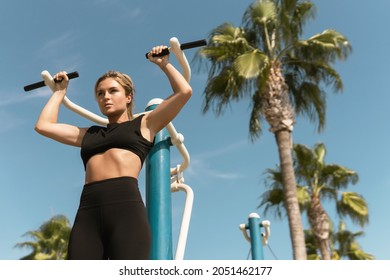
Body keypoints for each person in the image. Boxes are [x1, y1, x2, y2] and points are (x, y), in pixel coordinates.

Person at [34, 45, 192, 260]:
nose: (105, 97)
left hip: (126, 212)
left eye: (112, 91)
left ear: (128, 96)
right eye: (100, 93)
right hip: (87, 213)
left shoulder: (145, 124)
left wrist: (164, 64)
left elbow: (184, 92)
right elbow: (43, 125)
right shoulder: (89, 134)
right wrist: (59, 93)